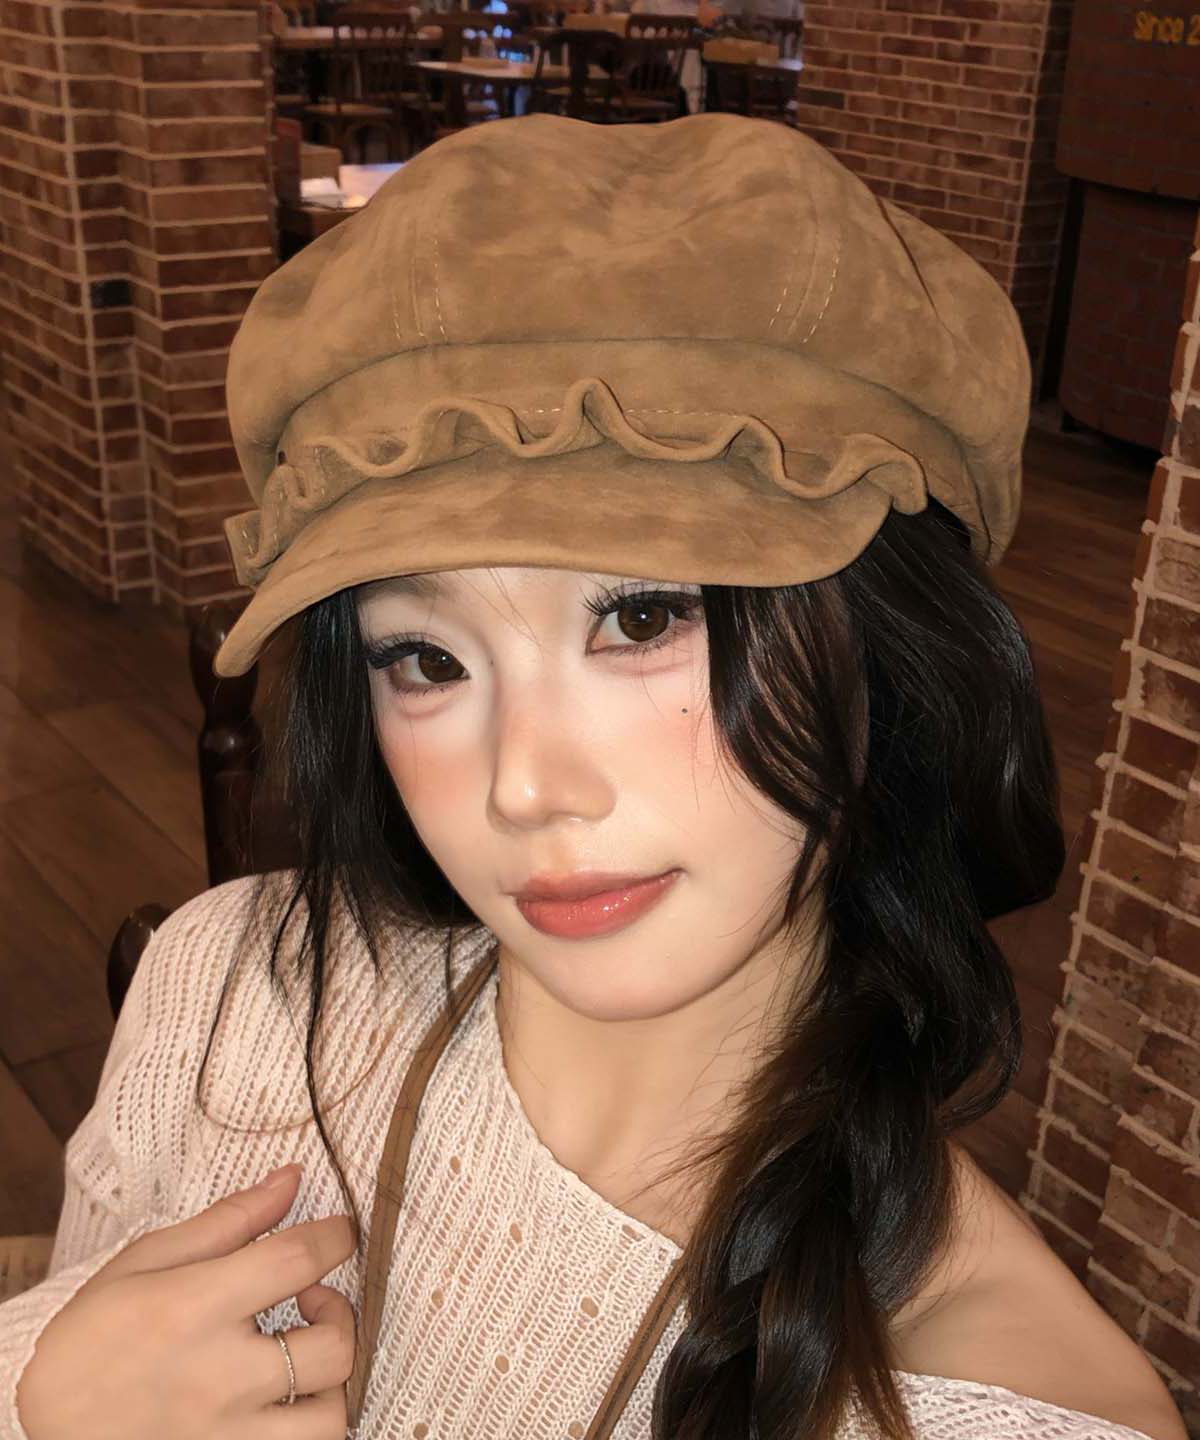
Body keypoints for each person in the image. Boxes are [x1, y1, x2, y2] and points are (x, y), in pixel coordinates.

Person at [1, 114, 1187, 1440]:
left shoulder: (999, 1408)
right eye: (426, 659)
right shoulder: (227, 994)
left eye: (640, 618)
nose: (524, 787)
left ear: (886, 645)